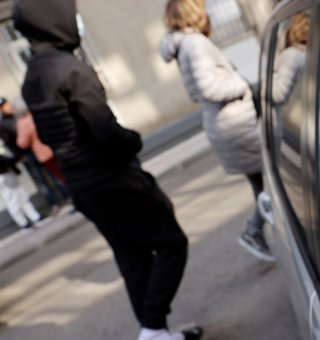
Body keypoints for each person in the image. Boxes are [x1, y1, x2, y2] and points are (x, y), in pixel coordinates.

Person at [13, 1, 202, 339]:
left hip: (82, 186)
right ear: (55, 20)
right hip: (114, 178)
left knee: (133, 258)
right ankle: (154, 327)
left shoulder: (32, 76)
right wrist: (133, 141)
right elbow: (104, 129)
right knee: (172, 243)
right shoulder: (70, 68)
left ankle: (156, 332)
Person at [160, 0, 274, 262]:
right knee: (273, 177)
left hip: (227, 124)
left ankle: (258, 230)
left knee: (262, 181)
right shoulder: (195, 44)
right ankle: (257, 230)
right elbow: (208, 88)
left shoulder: (185, 45)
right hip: (233, 124)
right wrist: (241, 83)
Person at [13, 97, 70, 215]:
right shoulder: (36, 114)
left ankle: (72, 197)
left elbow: (22, 143)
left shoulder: (22, 123)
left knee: (59, 176)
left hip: (43, 153)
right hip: (54, 146)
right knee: (65, 173)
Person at [0, 97, 42, 231]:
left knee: (21, 195)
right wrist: (14, 159)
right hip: (2, 173)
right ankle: (24, 223)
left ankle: (35, 217)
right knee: (12, 198)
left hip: (8, 169)